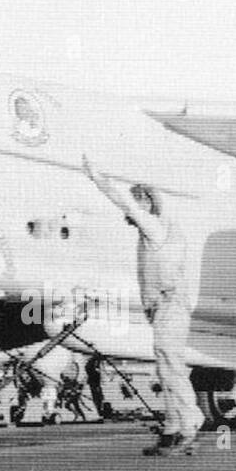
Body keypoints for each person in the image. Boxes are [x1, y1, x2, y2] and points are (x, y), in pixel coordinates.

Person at [84, 156, 204, 455]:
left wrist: (98, 179)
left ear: (149, 204)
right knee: (165, 368)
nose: (133, 210)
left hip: (170, 305)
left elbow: (125, 203)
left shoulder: (155, 227)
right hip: (164, 307)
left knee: (171, 365)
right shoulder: (153, 232)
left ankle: (190, 424)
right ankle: (172, 428)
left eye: (140, 202)